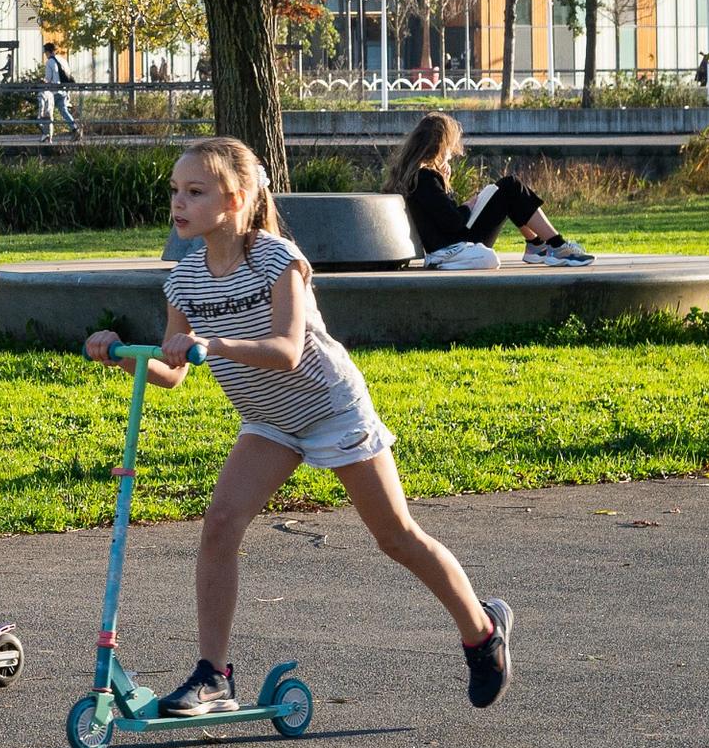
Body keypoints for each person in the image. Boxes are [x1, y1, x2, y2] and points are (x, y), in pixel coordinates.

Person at [85, 136, 514, 715]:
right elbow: (174, 370)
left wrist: (212, 342)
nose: (178, 203)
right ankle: (214, 675)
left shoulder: (277, 259)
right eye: (174, 192)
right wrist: (120, 352)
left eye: (194, 191)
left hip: (328, 407)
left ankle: (481, 631)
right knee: (218, 527)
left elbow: (288, 349)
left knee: (395, 537)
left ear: (236, 199)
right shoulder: (185, 278)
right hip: (268, 420)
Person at [385, 112, 595, 269]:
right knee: (510, 187)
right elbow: (452, 222)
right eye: (450, 147)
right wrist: (469, 204)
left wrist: (447, 184)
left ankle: (537, 244)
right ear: (441, 146)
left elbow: (441, 215)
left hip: (450, 241)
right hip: (451, 247)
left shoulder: (416, 175)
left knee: (504, 189)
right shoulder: (424, 177)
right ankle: (556, 246)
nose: (452, 153)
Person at [39, 42, 80, 141]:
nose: (45, 55)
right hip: (64, 90)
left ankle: (46, 135)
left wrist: (42, 81)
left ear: (48, 52)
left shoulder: (49, 62)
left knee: (47, 112)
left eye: (45, 52)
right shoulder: (62, 60)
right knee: (63, 110)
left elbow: (48, 78)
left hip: (54, 92)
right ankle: (75, 128)